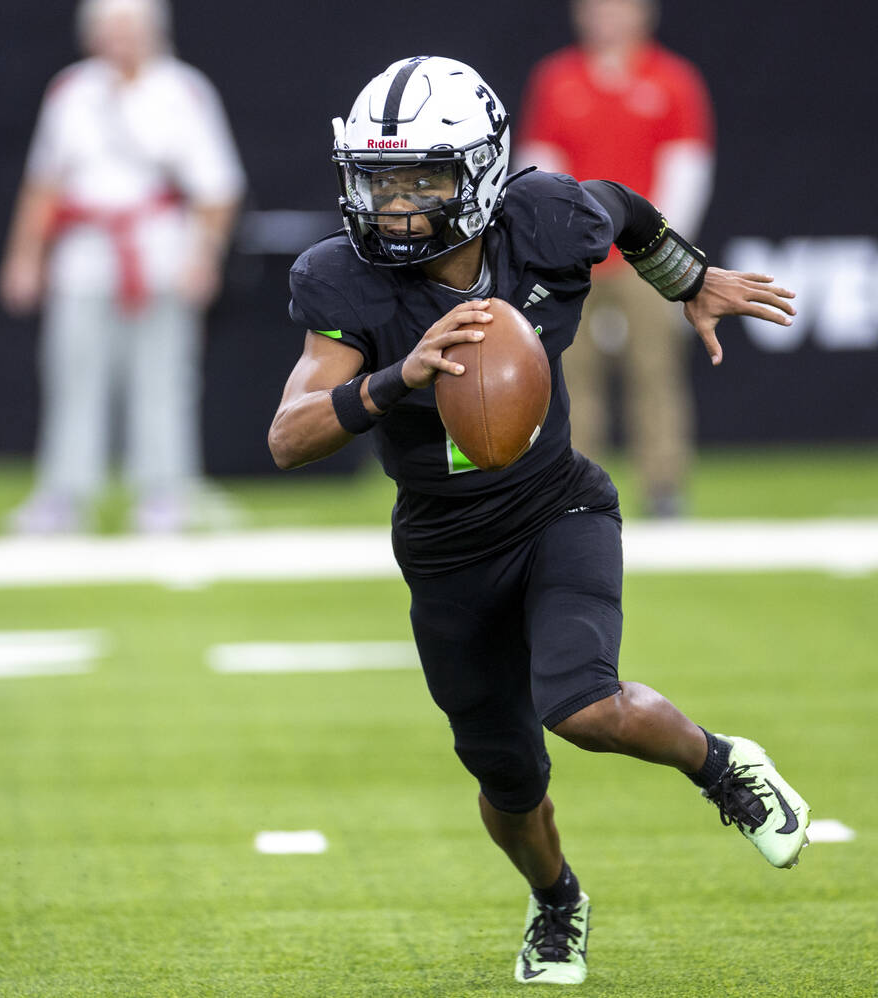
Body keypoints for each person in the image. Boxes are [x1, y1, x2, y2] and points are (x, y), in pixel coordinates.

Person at [268, 55, 806, 985]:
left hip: (559, 504)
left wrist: (691, 280)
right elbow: (288, 435)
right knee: (506, 776)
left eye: (423, 179)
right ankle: (557, 902)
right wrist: (401, 376)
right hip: (443, 549)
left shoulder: (546, 217)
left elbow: (627, 211)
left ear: (478, 171)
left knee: (584, 704)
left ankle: (721, 767)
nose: (397, 204)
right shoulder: (342, 282)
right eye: (380, 179)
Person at [0, 0, 245, 535]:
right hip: (84, 257)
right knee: (73, 376)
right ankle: (64, 494)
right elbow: (44, 183)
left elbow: (217, 188)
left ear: (154, 32)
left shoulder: (183, 91)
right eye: (108, 29)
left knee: (163, 378)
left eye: (129, 29)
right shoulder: (72, 91)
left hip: (160, 253)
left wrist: (203, 254)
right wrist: (25, 257)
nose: (118, 40)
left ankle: (163, 492)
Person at [517, 0, 714, 517]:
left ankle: (664, 487)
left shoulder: (672, 80)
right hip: (575, 257)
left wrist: (658, 247)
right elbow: (540, 167)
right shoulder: (557, 79)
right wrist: (558, 243)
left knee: (655, 370)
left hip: (643, 257)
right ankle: (575, 488)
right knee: (569, 376)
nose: (605, 18)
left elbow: (687, 171)